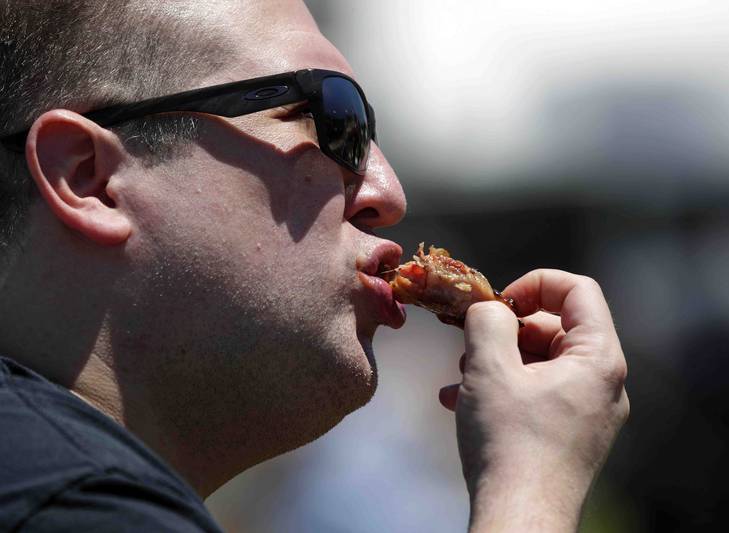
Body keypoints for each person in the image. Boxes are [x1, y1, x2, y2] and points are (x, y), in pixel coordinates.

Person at [0, 0, 629, 531]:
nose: (388, 191)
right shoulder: (77, 504)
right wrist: (530, 489)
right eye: (334, 118)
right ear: (91, 177)